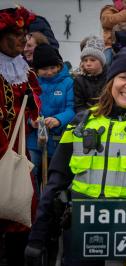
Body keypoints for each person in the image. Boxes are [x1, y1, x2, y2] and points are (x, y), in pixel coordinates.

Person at [24, 44, 126, 266]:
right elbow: (56, 183)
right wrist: (37, 238)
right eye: (123, 77)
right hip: (83, 235)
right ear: (111, 81)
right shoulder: (81, 122)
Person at [0, 6, 41, 266]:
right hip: (2, 150)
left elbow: (34, 104)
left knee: (21, 209)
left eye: (25, 33)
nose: (23, 39)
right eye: (16, 33)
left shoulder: (22, 70)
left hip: (16, 153)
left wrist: (35, 113)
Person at [27, 43, 75, 196]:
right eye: (44, 69)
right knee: (31, 175)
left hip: (58, 140)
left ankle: (50, 211)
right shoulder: (31, 84)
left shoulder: (68, 83)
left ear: (58, 65)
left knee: (54, 179)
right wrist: (31, 120)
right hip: (34, 141)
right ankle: (34, 210)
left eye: (52, 67)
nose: (49, 72)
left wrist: (58, 120)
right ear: (36, 70)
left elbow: (72, 109)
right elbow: (25, 109)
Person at [100, 0, 126, 66]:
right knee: (107, 63)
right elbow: (107, 22)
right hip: (111, 46)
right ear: (118, 2)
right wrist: (125, 13)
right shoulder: (109, 10)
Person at [74, 36, 107, 113]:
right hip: (87, 118)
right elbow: (78, 105)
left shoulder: (110, 77)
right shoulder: (79, 80)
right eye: (85, 60)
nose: (88, 63)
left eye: (92, 60)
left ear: (101, 62)